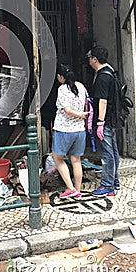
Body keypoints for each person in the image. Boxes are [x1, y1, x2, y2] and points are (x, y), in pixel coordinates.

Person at [52, 64, 88, 201]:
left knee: (58, 158)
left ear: (61, 77)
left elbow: (66, 110)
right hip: (79, 130)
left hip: (64, 130)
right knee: (76, 160)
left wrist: (79, 115)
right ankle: (78, 191)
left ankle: (70, 188)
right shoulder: (81, 86)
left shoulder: (62, 89)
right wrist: (83, 116)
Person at [86, 45, 119, 197]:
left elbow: (103, 101)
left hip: (105, 120)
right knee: (112, 150)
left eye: (90, 58)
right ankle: (114, 181)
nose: (89, 61)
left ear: (95, 59)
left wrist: (100, 122)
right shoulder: (110, 71)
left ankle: (107, 186)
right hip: (111, 119)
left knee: (106, 154)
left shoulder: (102, 77)